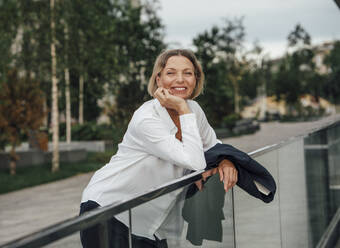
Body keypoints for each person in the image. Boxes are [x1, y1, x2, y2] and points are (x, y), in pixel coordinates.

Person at [80, 49, 238, 248]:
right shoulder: (147, 118)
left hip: (150, 224)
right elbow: (196, 162)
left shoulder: (194, 111)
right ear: (158, 79)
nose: (180, 79)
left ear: (196, 79)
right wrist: (182, 108)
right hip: (109, 210)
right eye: (171, 73)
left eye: (188, 73)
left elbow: (214, 146)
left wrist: (226, 160)